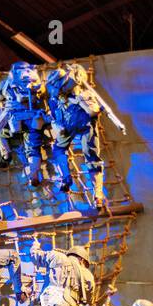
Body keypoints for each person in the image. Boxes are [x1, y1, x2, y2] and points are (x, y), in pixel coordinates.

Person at [46, 63, 107, 207]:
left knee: (91, 156)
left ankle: (97, 194)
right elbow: (55, 116)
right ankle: (66, 178)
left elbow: (92, 111)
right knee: (59, 150)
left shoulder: (82, 95)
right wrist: (57, 126)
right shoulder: (56, 99)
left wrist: (91, 106)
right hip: (68, 127)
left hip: (85, 126)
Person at [0, 62, 51, 189]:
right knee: (33, 149)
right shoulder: (36, 83)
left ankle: (6, 155)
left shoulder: (5, 83)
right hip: (32, 118)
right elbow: (44, 95)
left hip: (11, 117)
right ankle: (34, 176)